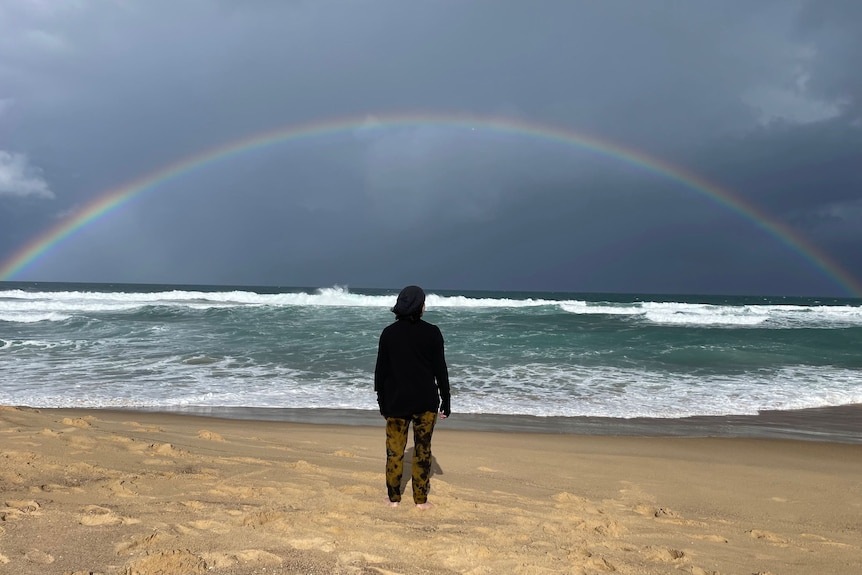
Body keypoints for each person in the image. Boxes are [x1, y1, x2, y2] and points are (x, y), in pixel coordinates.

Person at [374, 285, 451, 509]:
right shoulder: (432, 332)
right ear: (420, 307)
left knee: (394, 452)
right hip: (426, 402)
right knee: (422, 451)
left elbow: (381, 371)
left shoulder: (389, 333)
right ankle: (420, 500)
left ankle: (393, 498)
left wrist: (381, 402)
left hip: (396, 402)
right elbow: (440, 370)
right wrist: (446, 401)